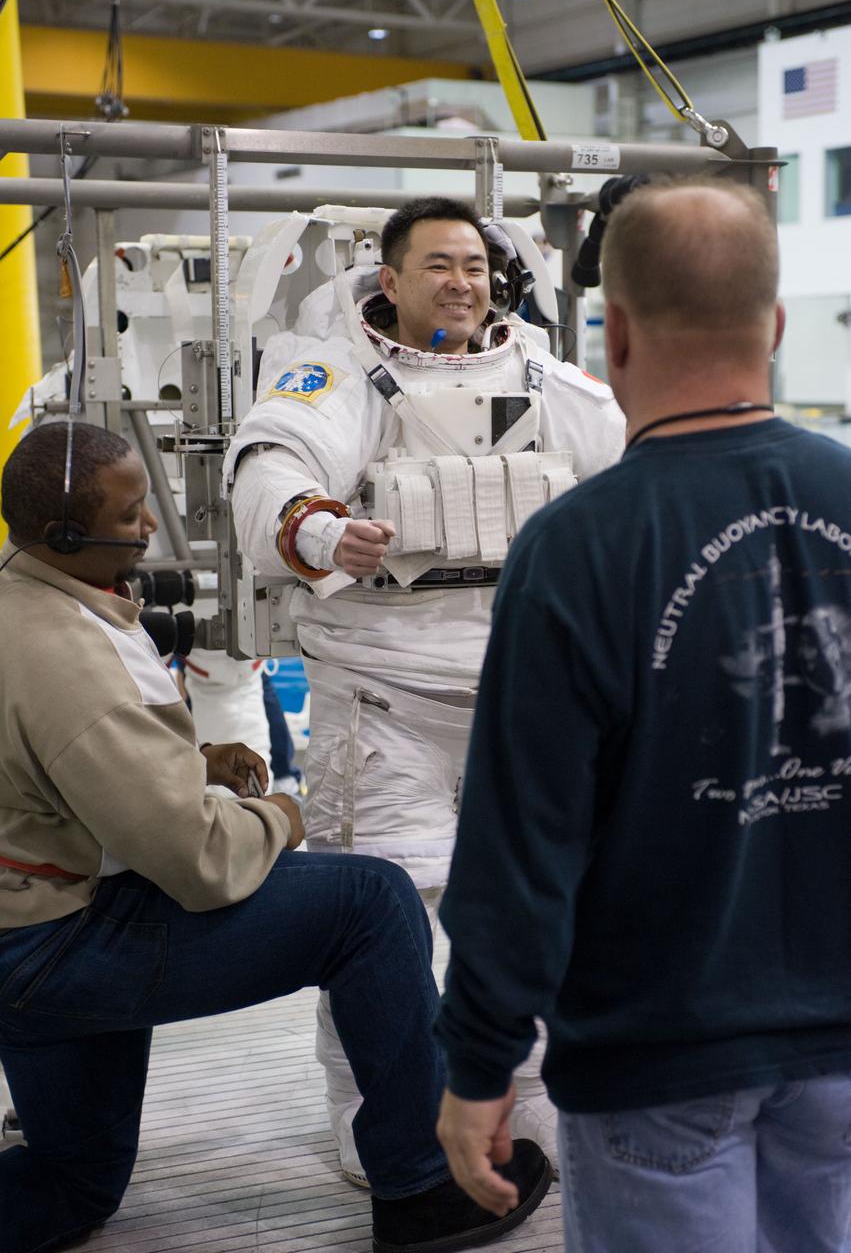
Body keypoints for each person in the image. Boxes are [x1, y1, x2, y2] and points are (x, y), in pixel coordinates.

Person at [0, 421, 551, 1253]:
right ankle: (421, 1185)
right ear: (68, 535)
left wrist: (187, 763)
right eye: (132, 512)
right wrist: (280, 817)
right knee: (370, 901)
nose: (150, 526)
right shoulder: (69, 656)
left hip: (25, 923)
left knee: (73, 1184)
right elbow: (195, 858)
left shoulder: (22, 594)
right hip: (58, 944)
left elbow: (64, 770)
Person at [433, 178, 851, 1253]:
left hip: (660, 1054)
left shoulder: (577, 546)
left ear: (612, 333)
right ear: (773, 325)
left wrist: (480, 1060)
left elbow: (521, 845)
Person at [225, 195, 625, 1179]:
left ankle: (526, 1106)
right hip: (383, 698)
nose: (461, 282)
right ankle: (380, 1119)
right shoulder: (336, 374)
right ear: (390, 279)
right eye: (438, 265)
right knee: (380, 917)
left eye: (475, 266)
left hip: (521, 703)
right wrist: (321, 530)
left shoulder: (543, 376)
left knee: (533, 909)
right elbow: (270, 466)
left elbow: (634, 462)